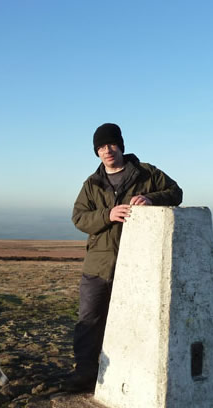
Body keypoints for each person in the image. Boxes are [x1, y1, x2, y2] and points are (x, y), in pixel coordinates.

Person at [67, 123, 183, 392]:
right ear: (96, 152)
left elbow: (176, 193)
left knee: (136, 321)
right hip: (99, 265)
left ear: (121, 145)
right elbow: (79, 217)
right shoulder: (92, 184)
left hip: (138, 266)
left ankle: (131, 372)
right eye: (101, 147)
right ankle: (85, 372)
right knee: (89, 320)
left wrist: (152, 199)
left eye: (111, 144)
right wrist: (106, 215)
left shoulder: (147, 173)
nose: (107, 150)